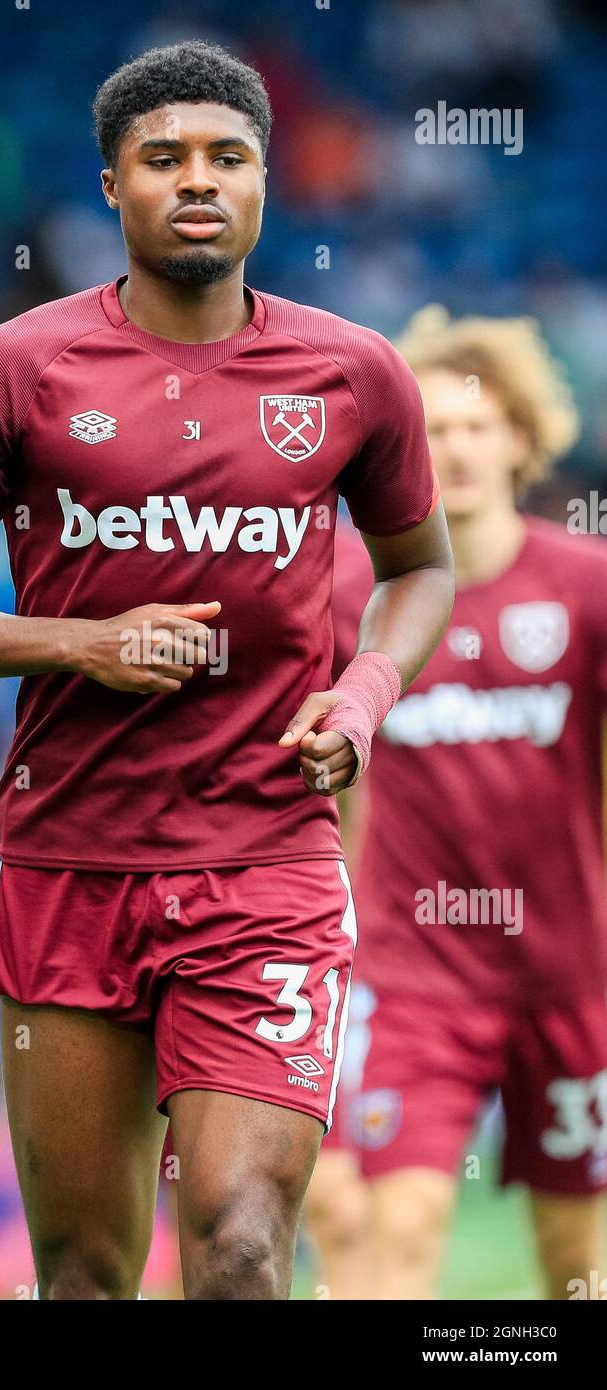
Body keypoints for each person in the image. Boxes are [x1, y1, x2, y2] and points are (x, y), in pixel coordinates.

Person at [0, 41, 453, 1300]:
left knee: (238, 1241)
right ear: (113, 187)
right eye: (162, 158)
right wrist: (82, 644)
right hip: (69, 861)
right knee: (82, 1274)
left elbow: (418, 568)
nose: (198, 180)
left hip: (267, 868)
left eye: (227, 157)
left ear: (264, 183)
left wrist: (362, 696)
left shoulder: (351, 373)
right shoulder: (15, 369)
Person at [306, 306, 607, 1300]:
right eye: (432, 428)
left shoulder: (584, 588)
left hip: (570, 979)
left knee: (577, 1265)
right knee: (390, 1234)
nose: (458, 448)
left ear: (520, 435)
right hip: (415, 979)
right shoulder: (349, 591)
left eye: (478, 425)